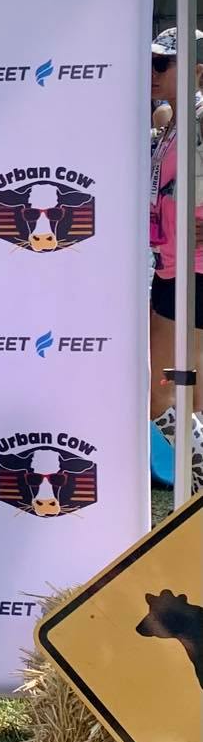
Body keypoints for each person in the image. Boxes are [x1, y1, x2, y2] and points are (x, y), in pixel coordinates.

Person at [148, 27, 203, 494]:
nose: (153, 71)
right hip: (171, 267)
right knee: (174, 389)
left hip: (195, 270)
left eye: (162, 63)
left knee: (175, 390)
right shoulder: (174, 119)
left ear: (196, 71)